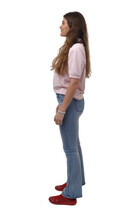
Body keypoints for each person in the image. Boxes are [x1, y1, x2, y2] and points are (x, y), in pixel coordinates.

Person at [48, 11, 91, 205]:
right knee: (75, 145)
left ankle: (70, 194)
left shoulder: (75, 49)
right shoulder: (76, 47)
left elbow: (73, 83)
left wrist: (62, 110)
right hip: (70, 100)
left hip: (70, 102)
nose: (60, 25)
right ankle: (76, 181)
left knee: (70, 149)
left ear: (72, 26)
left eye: (63, 22)